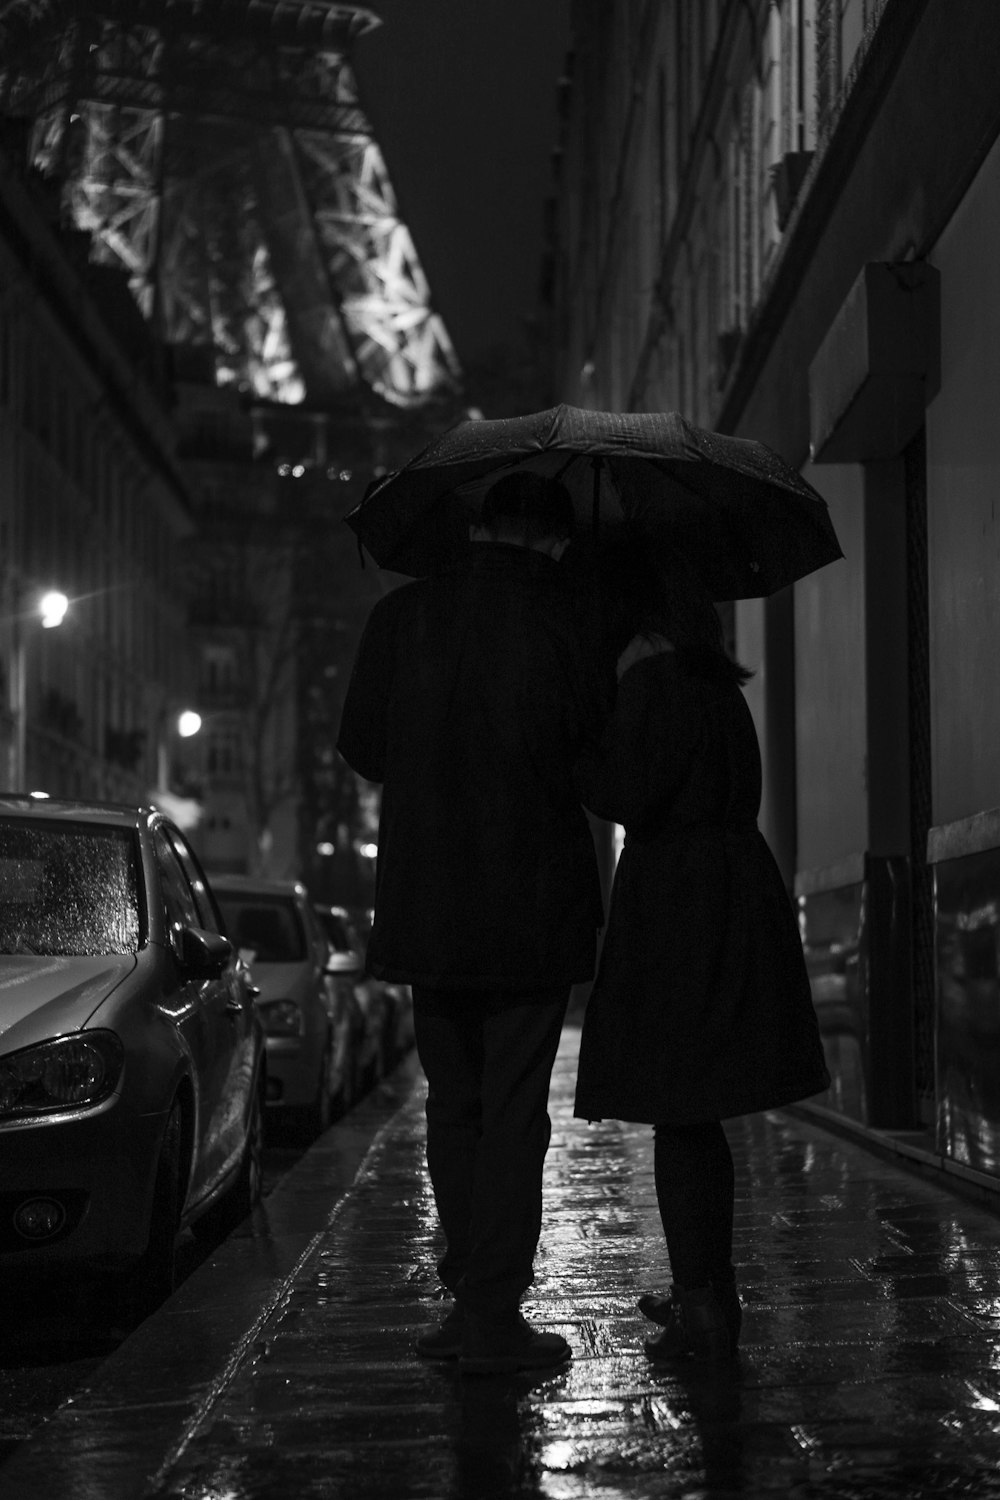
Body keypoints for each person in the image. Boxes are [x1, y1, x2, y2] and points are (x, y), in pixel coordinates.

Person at [337, 472, 609, 1374]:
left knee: (450, 1104)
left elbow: (361, 746)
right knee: (513, 1109)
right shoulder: (572, 621)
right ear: (552, 540)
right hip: (534, 902)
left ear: (484, 527)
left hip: (428, 898)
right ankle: (495, 1308)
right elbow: (596, 755)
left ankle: (468, 1298)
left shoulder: (401, 618)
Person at [572, 534, 830, 1364]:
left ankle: (703, 1304)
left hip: (677, 904)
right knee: (698, 1113)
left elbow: (624, 795)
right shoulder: (713, 678)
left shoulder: (646, 679)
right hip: (730, 890)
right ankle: (707, 1288)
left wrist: (588, 736)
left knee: (680, 1113)